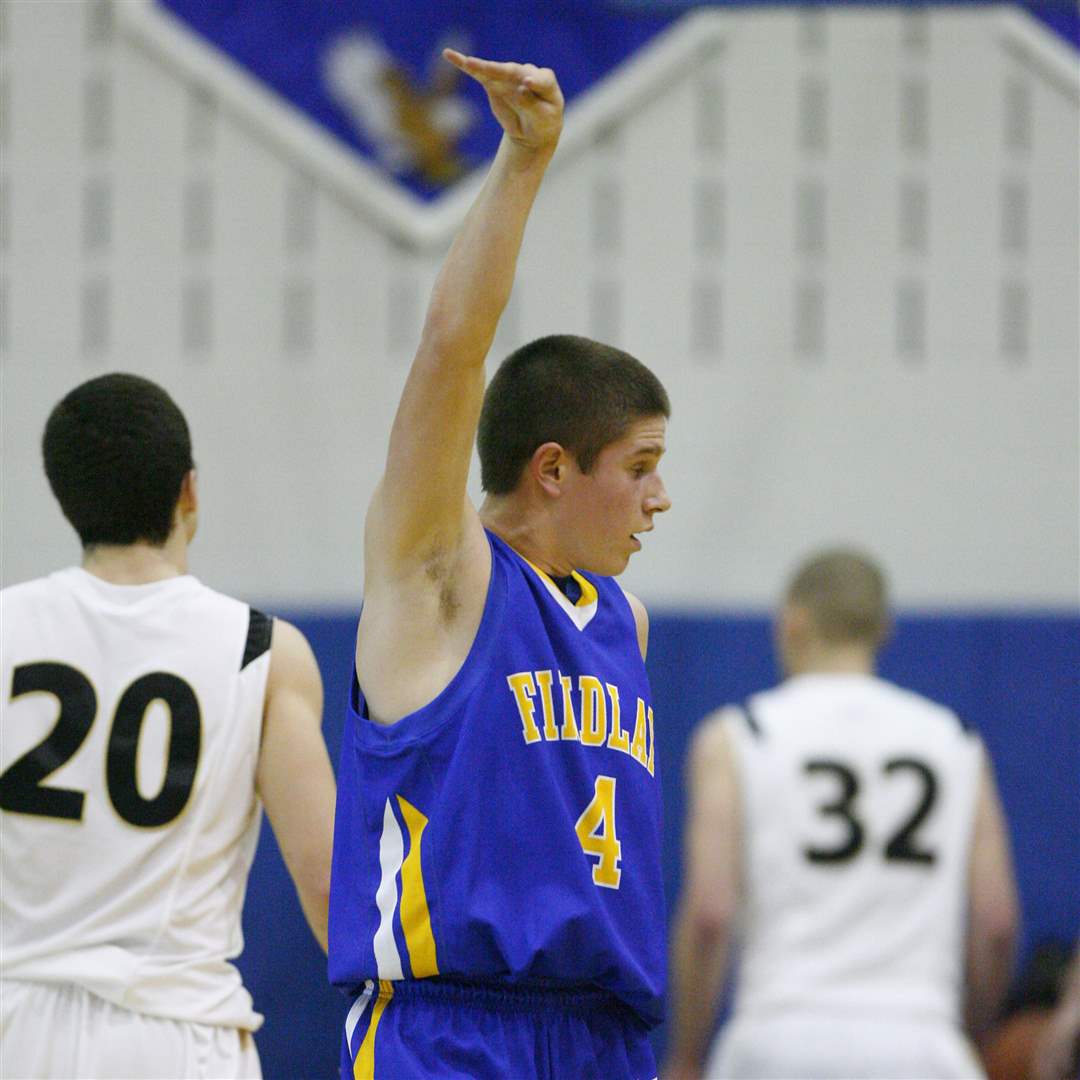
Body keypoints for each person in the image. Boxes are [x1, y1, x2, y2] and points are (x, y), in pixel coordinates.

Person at [328, 49, 672, 1080]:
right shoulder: (440, 578)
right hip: (454, 1032)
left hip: (605, 1035)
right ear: (554, 469)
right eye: (642, 468)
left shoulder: (625, 622)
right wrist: (523, 165)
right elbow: (450, 351)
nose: (661, 497)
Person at [0, 373, 337, 1079]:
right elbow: (329, 883)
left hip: (15, 1026)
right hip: (177, 1036)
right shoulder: (262, 648)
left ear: (68, 500)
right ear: (189, 491)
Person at [664, 547, 1019, 1080]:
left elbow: (711, 914)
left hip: (778, 1036)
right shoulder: (955, 741)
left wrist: (686, 1055)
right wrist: (958, 1033)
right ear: (883, 630)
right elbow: (996, 923)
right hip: (919, 1039)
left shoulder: (738, 736)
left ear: (792, 624)